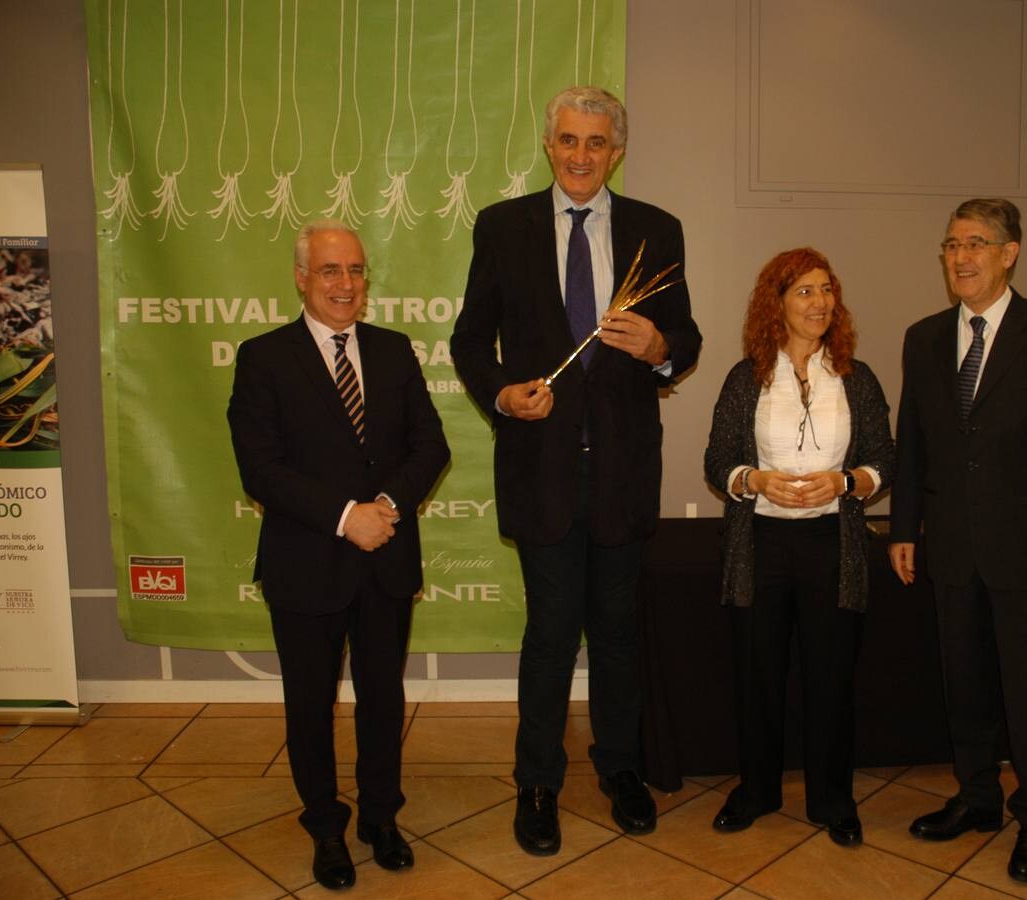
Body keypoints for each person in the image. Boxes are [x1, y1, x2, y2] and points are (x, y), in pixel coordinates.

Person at [450, 86, 701, 855]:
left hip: (624, 473)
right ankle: (537, 784)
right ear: (548, 144)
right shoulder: (503, 226)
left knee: (618, 635)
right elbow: (469, 341)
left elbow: (684, 337)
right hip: (542, 470)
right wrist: (500, 393)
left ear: (615, 150)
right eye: (568, 140)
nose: (581, 155)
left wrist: (658, 350)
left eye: (596, 142)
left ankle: (620, 771)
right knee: (552, 633)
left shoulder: (656, 230)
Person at [227, 219, 450, 890]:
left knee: (382, 699)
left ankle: (380, 817)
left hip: (385, 554)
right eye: (330, 271)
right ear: (301, 277)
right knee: (309, 704)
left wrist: (384, 507)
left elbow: (430, 445)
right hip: (305, 562)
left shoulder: (391, 350)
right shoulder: (264, 357)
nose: (345, 284)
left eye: (354, 270)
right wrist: (343, 517)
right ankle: (325, 827)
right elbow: (259, 469)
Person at [888, 198, 1027, 883]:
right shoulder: (922, 338)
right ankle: (977, 797)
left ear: (1009, 253)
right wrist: (901, 528)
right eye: (951, 245)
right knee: (966, 684)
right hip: (949, 546)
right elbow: (912, 445)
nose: (960, 257)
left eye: (976, 244)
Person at [703, 247, 895, 847]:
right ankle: (756, 791)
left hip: (832, 546)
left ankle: (833, 800)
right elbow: (717, 463)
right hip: (759, 544)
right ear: (777, 304)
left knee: (831, 679)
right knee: (758, 678)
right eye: (805, 291)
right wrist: (754, 480)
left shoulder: (857, 379)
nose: (820, 302)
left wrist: (846, 482)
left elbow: (884, 461)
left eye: (826, 289)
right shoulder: (747, 377)